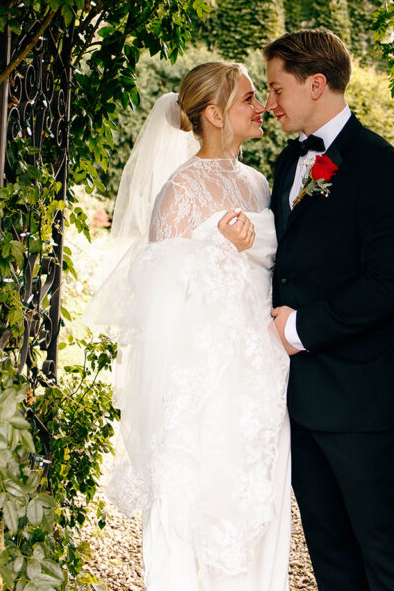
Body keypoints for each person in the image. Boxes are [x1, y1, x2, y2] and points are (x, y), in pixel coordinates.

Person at [87, 62, 291, 591]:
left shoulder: (259, 184)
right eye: (249, 98)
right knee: (199, 502)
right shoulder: (179, 191)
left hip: (261, 374)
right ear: (215, 114)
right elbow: (154, 292)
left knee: (258, 503)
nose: (261, 106)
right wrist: (220, 249)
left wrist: (247, 249)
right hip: (204, 378)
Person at [265, 27, 394, 591]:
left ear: (316, 84)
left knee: (387, 553)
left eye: (276, 88)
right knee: (330, 556)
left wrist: (304, 328)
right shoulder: (288, 163)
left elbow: (388, 284)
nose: (270, 103)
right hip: (302, 401)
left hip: (366, 401)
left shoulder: (379, 164)